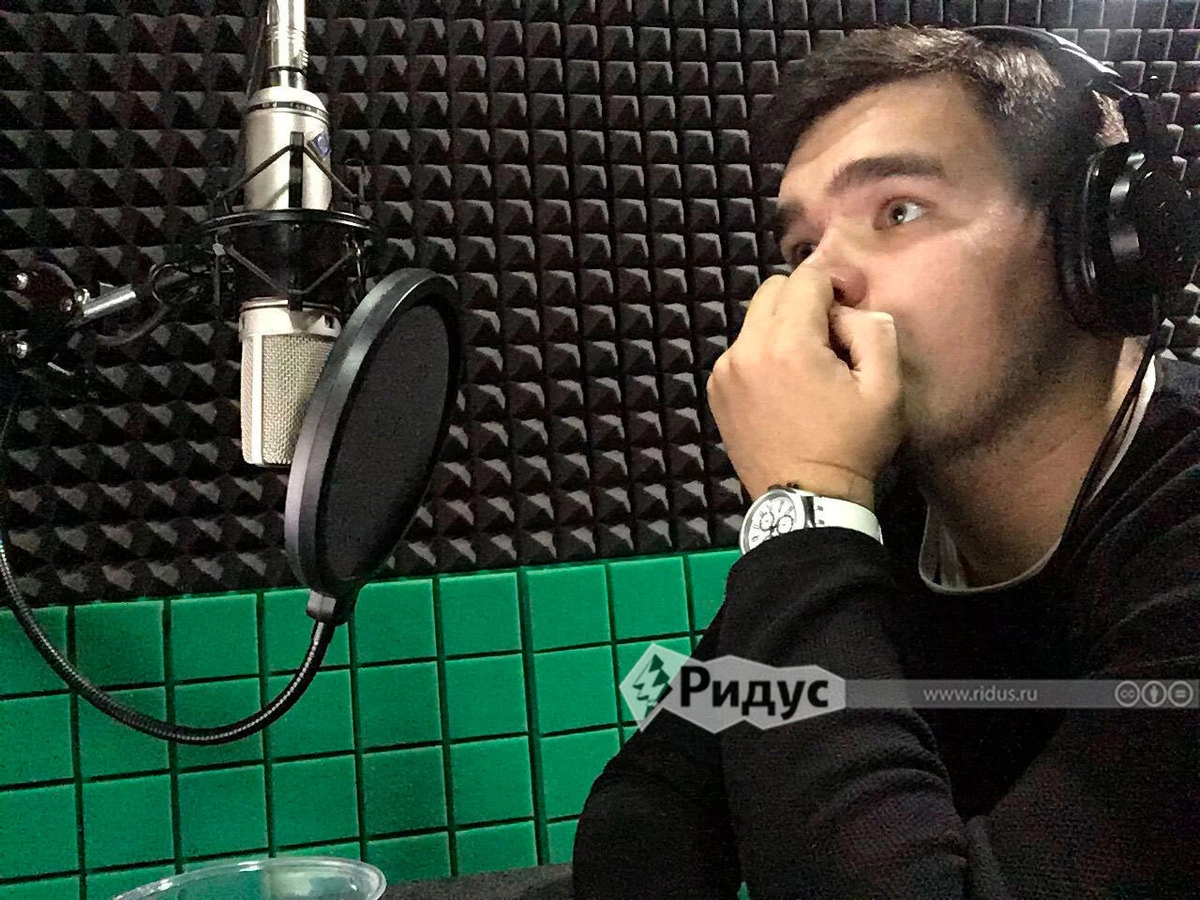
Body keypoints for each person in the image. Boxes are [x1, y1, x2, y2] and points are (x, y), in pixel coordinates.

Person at [572, 24, 1199, 898]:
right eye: (800, 249)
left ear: (1101, 243)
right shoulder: (892, 523)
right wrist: (822, 523)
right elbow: (651, 804)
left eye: (898, 211)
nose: (814, 287)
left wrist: (805, 506)